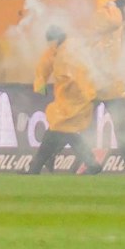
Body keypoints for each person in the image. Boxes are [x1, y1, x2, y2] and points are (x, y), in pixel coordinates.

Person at [86, 0, 125, 170]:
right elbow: (113, 20)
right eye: (123, 10)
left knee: (122, 124)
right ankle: (77, 158)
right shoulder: (102, 16)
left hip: (110, 82)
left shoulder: (118, 20)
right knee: (79, 123)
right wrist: (112, 1)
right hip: (93, 81)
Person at [30, 24, 101, 175]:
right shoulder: (60, 49)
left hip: (77, 101)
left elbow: (82, 76)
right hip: (68, 102)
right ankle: (91, 163)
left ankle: (35, 167)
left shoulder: (67, 55)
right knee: (64, 131)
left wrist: (90, 95)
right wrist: (40, 83)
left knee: (60, 129)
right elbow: (44, 65)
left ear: (54, 40)